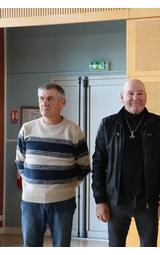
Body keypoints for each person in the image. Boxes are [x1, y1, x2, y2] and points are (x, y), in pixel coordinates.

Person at [91, 78, 160, 247]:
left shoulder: (159, 124)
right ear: (122, 97)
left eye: (140, 93)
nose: (135, 97)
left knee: (149, 246)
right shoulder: (108, 125)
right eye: (130, 93)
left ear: (146, 97)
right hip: (116, 202)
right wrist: (100, 201)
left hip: (148, 201)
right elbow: (98, 165)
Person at [15, 82, 91, 247]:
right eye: (41, 98)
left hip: (63, 200)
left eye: (50, 98)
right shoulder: (26, 129)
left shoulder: (73, 130)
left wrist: (68, 187)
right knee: (31, 246)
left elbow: (84, 166)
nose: (44, 103)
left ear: (62, 103)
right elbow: (20, 162)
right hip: (31, 201)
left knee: (61, 246)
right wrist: (32, 185)